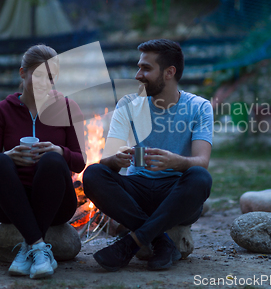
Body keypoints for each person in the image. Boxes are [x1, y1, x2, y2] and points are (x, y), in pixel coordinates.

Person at [83, 39, 213, 271]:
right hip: (136, 192)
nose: (138, 75)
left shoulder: (199, 107)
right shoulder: (128, 105)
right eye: (139, 67)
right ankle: (162, 243)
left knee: (200, 178)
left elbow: (201, 162)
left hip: (176, 194)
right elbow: (106, 161)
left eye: (146, 68)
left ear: (169, 72)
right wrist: (116, 159)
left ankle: (130, 243)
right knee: (93, 174)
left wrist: (177, 162)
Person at [0, 44, 86, 279]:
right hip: (9, 202)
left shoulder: (68, 108)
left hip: (56, 204)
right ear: (22, 73)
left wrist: (59, 151)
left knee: (52, 159)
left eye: (50, 77)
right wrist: (9, 156)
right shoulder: (0, 112)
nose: (44, 82)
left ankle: (30, 247)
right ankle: (39, 248)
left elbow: (80, 162)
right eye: (37, 75)